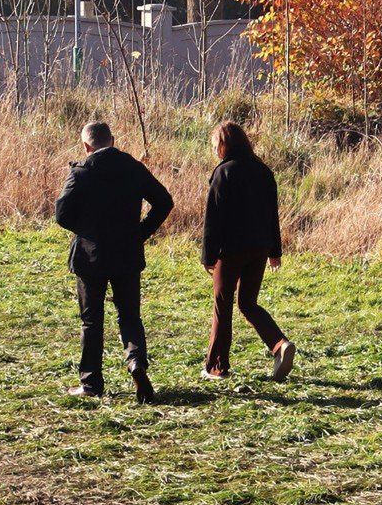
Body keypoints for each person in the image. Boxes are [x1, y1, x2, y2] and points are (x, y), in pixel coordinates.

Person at [53, 121, 173, 404]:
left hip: (90, 256)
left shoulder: (81, 172)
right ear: (113, 140)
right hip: (127, 254)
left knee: (91, 320)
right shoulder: (132, 167)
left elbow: (61, 214)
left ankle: (91, 383)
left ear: (86, 145)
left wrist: (87, 231)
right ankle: (135, 363)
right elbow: (164, 201)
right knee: (130, 315)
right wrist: (141, 232)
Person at [202, 121, 295, 381]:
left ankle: (217, 367)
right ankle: (279, 345)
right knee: (248, 303)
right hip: (260, 248)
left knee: (223, 305)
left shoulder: (223, 172)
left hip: (230, 250)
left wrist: (208, 256)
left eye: (215, 145)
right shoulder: (263, 170)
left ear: (223, 145)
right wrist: (275, 251)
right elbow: (272, 215)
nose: (214, 150)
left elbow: (213, 219)